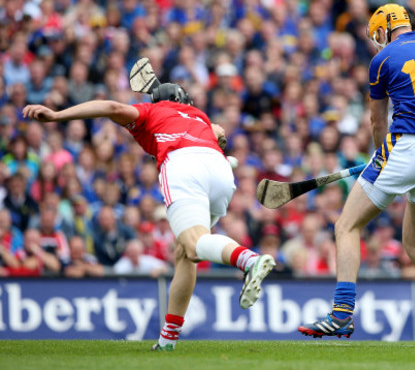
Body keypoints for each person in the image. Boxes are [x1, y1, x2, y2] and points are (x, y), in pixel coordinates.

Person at [23, 79, 276, 351]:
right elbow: (218, 132)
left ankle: (249, 261)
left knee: (192, 242)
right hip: (221, 169)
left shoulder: (152, 110)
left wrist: (57, 115)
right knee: (185, 252)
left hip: (183, 164)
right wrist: (218, 136)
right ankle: (168, 338)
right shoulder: (199, 115)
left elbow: (110, 106)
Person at [298, 4, 415, 347]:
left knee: (346, 226)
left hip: (404, 147)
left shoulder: (382, 59)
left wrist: (381, 157)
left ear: (382, 29)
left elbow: (378, 122)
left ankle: (341, 314)